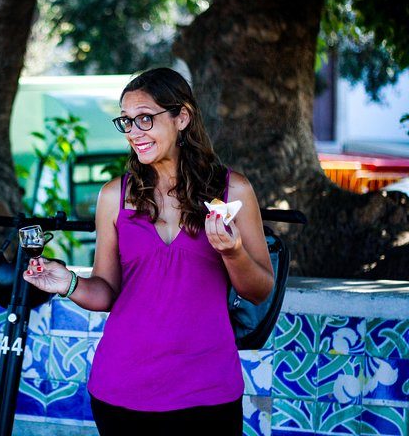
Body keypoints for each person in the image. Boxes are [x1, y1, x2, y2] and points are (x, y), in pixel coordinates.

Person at [23, 68, 273, 434]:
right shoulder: (114, 196)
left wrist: (233, 252)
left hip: (208, 391)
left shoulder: (233, 191)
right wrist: (68, 283)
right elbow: (107, 291)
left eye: (145, 118)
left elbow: (260, 290)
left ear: (182, 117)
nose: (134, 133)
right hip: (121, 389)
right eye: (127, 122)